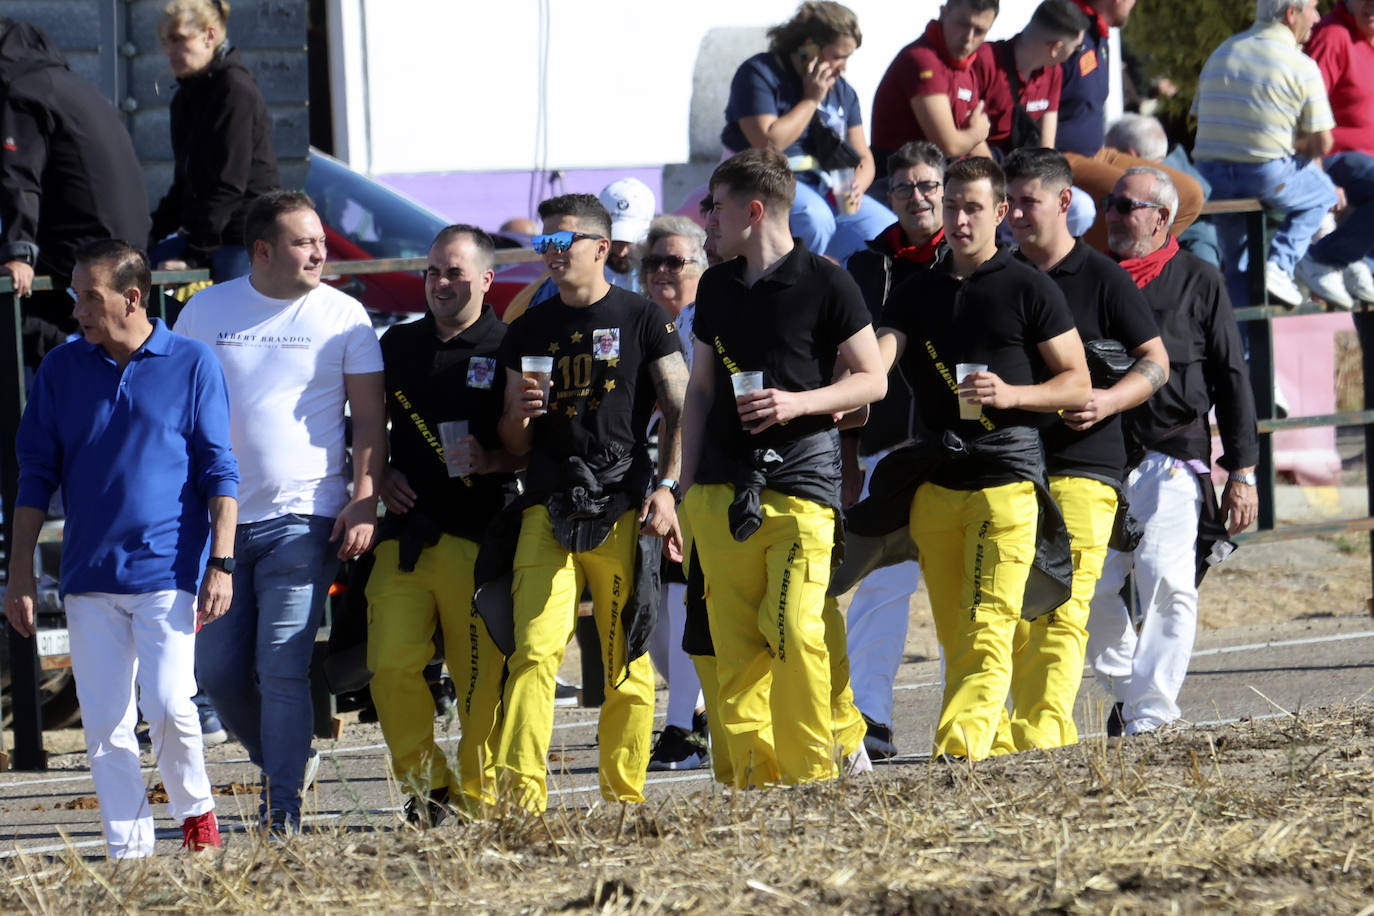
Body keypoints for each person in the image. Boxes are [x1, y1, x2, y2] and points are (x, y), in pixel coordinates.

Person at [5, 240, 236, 857]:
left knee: (168, 706)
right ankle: (128, 855)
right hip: (87, 579)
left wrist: (222, 561)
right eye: (75, 294)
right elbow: (34, 474)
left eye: (89, 296)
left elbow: (221, 471)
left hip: (168, 572)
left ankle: (196, 816)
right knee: (105, 729)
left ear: (132, 297)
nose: (77, 308)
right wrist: (19, 572)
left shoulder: (192, 364)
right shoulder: (60, 368)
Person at [174, 190, 386, 835]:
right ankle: (285, 760)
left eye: (321, 239)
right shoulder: (206, 310)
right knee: (216, 671)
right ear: (262, 250)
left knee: (282, 664)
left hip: (307, 513)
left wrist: (364, 496)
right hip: (220, 525)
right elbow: (178, 412)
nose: (320, 250)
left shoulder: (345, 315)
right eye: (304, 241)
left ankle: (283, 813)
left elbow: (371, 420)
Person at [871, 156, 1090, 761]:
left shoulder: (1028, 287)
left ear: (999, 212)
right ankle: (988, 750)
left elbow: (1076, 382)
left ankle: (959, 748)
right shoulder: (917, 292)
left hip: (1007, 478)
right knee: (957, 633)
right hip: (937, 484)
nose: (960, 218)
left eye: (972, 207)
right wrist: (846, 391)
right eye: (952, 206)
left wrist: (1013, 394)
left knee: (990, 622)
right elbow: (878, 362)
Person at [682, 147, 887, 786]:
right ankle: (754, 785)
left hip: (800, 484)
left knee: (795, 632)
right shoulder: (714, 285)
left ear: (753, 209)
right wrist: (684, 488)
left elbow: (872, 379)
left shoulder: (827, 281)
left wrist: (800, 402)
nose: (704, 221)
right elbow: (700, 392)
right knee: (735, 649)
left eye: (713, 207)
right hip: (720, 491)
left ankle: (811, 782)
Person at [493, 193, 689, 813]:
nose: (550, 254)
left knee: (626, 661)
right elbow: (513, 443)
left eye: (562, 242)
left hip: (623, 508)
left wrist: (668, 487)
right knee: (532, 654)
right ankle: (521, 804)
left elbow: (682, 407)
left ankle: (623, 799)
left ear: (601, 248)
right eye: (544, 243)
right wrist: (519, 416)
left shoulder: (641, 317)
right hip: (546, 508)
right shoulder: (526, 328)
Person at [995, 148, 1166, 752]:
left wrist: (1108, 401)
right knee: (1010, 614)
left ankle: (1042, 740)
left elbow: (1156, 362)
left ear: (1064, 202)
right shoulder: (998, 276)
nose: (1012, 213)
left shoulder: (1103, 277)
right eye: (1007, 201)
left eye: (1026, 200)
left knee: (1062, 609)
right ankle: (1026, 736)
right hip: (1012, 470)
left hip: (1086, 467)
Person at [1087, 167, 1259, 737]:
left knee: (1166, 578)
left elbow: (1232, 378)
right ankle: (1129, 686)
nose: (1111, 213)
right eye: (1109, 203)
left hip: (1173, 455)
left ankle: (1151, 715)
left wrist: (1243, 471)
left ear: (1161, 217)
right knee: (1085, 586)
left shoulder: (1198, 280)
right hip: (1098, 456)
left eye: (1125, 205)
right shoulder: (1090, 278)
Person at [368, 225, 521, 825]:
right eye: (433, 271)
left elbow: (536, 447)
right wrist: (378, 479)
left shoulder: (509, 344)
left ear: (486, 279)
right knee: (390, 667)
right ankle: (428, 788)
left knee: (482, 681)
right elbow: (364, 429)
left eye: (454, 271)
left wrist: (496, 459)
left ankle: (480, 800)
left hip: (481, 535)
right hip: (405, 536)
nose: (440, 282)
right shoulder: (396, 344)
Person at [839, 140, 945, 759]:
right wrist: (851, 456)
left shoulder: (978, 254)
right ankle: (870, 718)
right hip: (887, 446)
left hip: (964, 446)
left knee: (967, 587)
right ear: (888, 195)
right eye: (904, 187)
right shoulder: (867, 264)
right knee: (883, 585)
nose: (918, 197)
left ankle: (973, 720)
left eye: (928, 184)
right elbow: (849, 362)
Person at [0, 18, 151, 368]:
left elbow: (19, 175)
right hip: (125, 244)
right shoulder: (67, 85)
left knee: (16, 316)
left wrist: (17, 252)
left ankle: (85, 357)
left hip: (86, 247)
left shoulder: (20, 91)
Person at [721, 1, 895, 261]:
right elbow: (768, 141)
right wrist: (811, 99)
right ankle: (792, 293)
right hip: (769, 180)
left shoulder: (843, 92)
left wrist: (859, 183)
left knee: (885, 230)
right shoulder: (759, 74)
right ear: (808, 46)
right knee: (814, 219)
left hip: (829, 185)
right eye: (837, 56)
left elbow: (863, 155)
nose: (843, 67)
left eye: (847, 57)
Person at [1191, 0, 1336, 310]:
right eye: (1312, 8)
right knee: (1323, 192)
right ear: (1290, 14)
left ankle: (1241, 354)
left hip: (1209, 177)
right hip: (1263, 174)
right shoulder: (1301, 64)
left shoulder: (1222, 52)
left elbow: (1200, 118)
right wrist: (1293, 144)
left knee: (1239, 264)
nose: (1317, 17)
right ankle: (1281, 265)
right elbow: (1323, 144)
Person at [637, 215, 712, 772]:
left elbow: (693, 409)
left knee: (682, 595)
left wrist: (677, 484)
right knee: (657, 614)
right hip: (640, 475)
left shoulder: (703, 321)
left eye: (675, 261)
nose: (663, 271)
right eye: (653, 261)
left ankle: (681, 727)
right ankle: (697, 704)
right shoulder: (635, 321)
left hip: (695, 476)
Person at [1051, 0, 1204, 252]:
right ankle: (1111, 275)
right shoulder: (1067, 28)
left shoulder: (1098, 34)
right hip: (1060, 158)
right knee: (1135, 201)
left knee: (1188, 195)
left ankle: (1139, 269)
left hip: (1098, 152)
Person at [149, 0, 280, 282]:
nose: (169, 51)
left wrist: (194, 256)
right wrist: (143, 238)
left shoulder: (234, 90)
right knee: (137, 271)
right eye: (166, 42)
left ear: (209, 36)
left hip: (243, 238)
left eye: (179, 40)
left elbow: (228, 183)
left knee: (232, 322)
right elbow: (185, 185)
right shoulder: (185, 97)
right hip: (207, 236)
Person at [1296, 0, 1374, 308]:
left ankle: (1359, 264)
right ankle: (1323, 258)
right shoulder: (1333, 36)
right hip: (1336, 161)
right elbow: (1304, 114)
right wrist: (1316, 179)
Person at [870, 0, 1005, 167]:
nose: (968, 38)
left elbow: (972, 143)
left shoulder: (965, 66)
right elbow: (949, 145)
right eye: (963, 24)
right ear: (943, 12)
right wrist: (978, 133)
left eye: (979, 31)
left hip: (939, 177)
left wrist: (998, 184)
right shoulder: (922, 60)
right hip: (901, 181)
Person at [986, 0, 1090, 155]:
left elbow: (1046, 147)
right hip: (980, 168)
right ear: (1056, 48)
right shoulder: (986, 60)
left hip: (1020, 167)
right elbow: (967, 134)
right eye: (1077, 48)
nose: (1078, 53)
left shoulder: (1054, 72)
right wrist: (999, 176)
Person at [599, 178, 655, 294]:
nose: (621, 252)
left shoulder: (659, 280)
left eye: (629, 242)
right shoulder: (581, 278)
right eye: (614, 241)